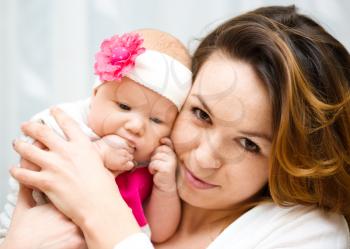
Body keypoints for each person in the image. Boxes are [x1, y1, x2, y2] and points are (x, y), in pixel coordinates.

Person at [2, 5, 350, 249]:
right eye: (201, 114)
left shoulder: (307, 232)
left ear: (294, 158)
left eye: (248, 144)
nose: (203, 157)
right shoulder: (132, 163)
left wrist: (98, 207)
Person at [0, 29, 192, 243]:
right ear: (95, 94)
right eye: (124, 106)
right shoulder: (69, 122)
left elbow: (158, 233)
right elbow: (31, 166)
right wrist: (98, 153)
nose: (137, 126)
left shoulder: (149, 162)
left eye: (156, 120)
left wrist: (165, 188)